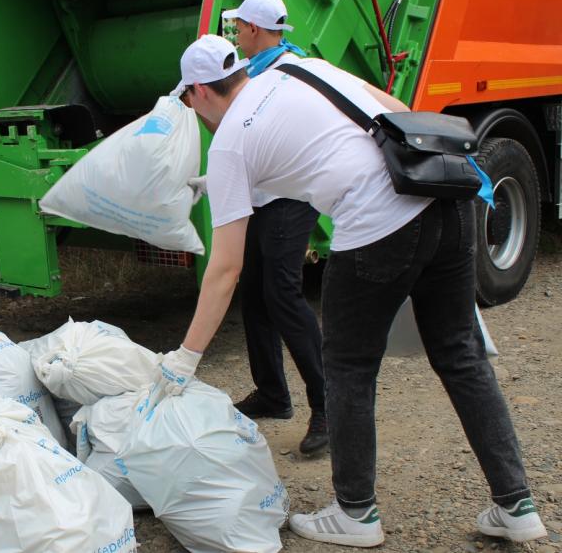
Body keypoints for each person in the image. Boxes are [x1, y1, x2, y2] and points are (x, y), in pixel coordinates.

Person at [159, 34, 547, 547]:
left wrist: (186, 357)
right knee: (461, 355)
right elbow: (393, 112)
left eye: (189, 100)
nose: (193, 110)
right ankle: (516, 504)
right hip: (442, 199)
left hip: (378, 227)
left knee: (347, 365)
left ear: (200, 92)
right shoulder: (301, 69)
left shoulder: (231, 140)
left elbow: (225, 269)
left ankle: (356, 513)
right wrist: (226, 181)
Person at [224, 0, 327, 455]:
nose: (234, 33)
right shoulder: (260, 70)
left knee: (283, 295)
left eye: (238, 26)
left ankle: (329, 407)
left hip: (291, 197)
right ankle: (272, 394)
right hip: (264, 197)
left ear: (253, 29)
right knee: (255, 292)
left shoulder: (288, 73)